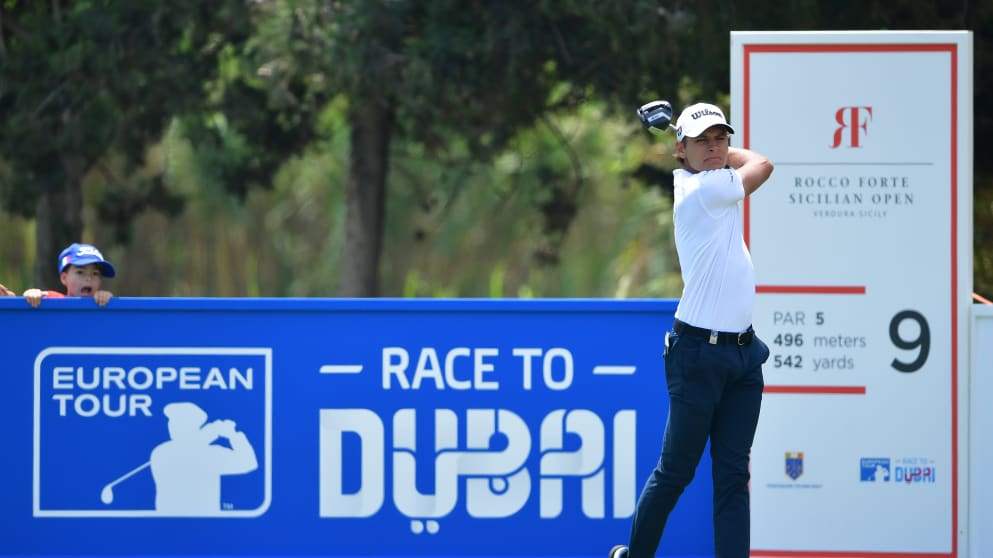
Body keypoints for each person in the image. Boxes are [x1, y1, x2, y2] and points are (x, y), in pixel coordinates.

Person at [610, 103, 774, 558]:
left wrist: (701, 149)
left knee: (733, 476)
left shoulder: (711, 178)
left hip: (743, 356)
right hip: (698, 354)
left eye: (721, 138)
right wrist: (713, 155)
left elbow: (735, 162)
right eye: (703, 140)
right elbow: (763, 164)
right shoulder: (703, 190)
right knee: (675, 472)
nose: (715, 147)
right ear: (680, 150)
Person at [22, 243, 116, 307]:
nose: (88, 278)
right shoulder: (55, 300)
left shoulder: (101, 303)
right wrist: (33, 294)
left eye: (95, 273)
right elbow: (36, 295)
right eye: (80, 272)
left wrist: (107, 299)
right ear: (64, 278)